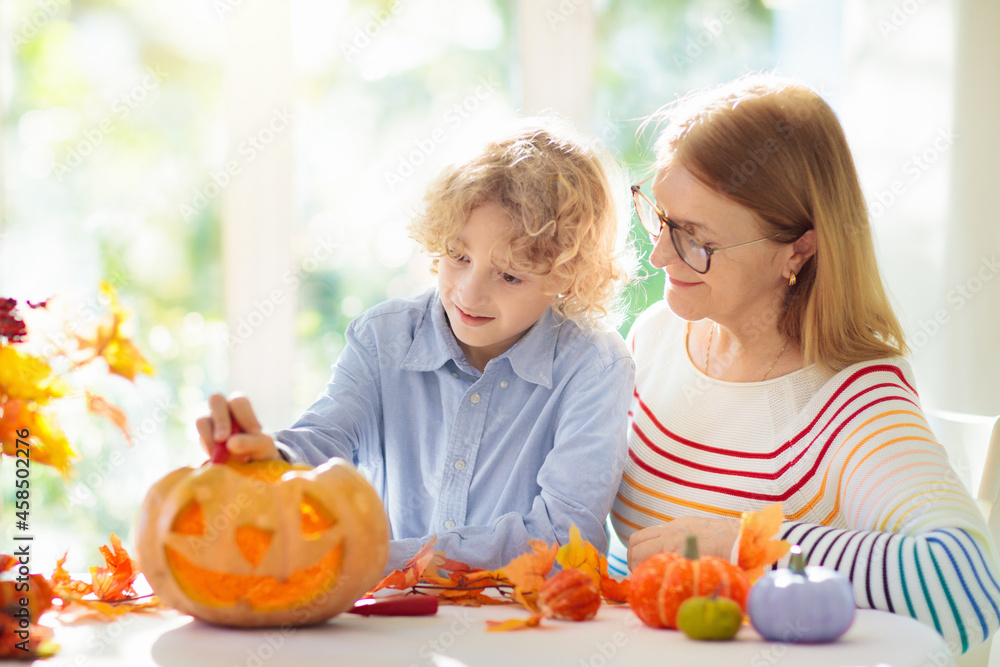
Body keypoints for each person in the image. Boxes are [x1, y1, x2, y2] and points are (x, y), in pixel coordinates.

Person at [611, 74, 1000, 655]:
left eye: (696, 238)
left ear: (798, 248)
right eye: (660, 218)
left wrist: (744, 545)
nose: (660, 253)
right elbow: (638, 550)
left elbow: (964, 585)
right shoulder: (658, 336)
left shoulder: (852, 398)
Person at [198, 121, 637, 573]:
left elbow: (563, 539)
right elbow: (328, 436)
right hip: (392, 622)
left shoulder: (596, 367)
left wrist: (376, 561)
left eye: (509, 275)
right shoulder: (382, 338)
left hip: (528, 623)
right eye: (459, 257)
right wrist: (273, 459)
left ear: (567, 276)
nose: (469, 292)